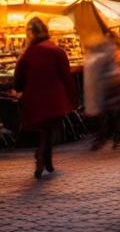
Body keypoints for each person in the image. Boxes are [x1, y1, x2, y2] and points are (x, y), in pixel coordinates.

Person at [14, 18, 76, 179]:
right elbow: (67, 78)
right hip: (54, 100)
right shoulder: (57, 51)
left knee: (43, 130)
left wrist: (21, 89)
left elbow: (18, 81)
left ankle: (43, 158)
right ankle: (45, 158)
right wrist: (72, 99)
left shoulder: (27, 54)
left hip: (33, 100)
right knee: (48, 129)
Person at [83, 37, 120, 150]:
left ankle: (105, 138)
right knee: (113, 116)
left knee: (108, 117)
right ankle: (113, 138)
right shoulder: (105, 56)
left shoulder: (95, 58)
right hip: (110, 91)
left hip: (106, 92)